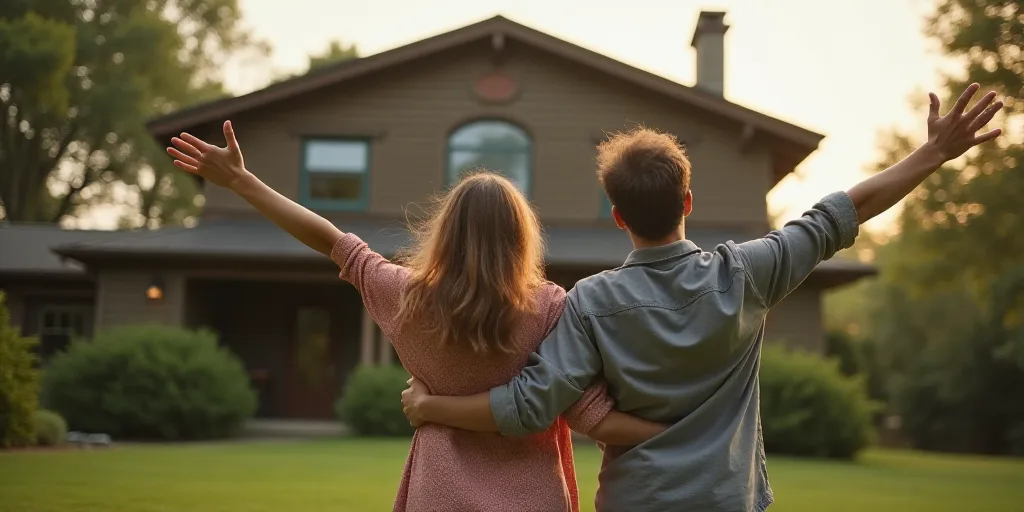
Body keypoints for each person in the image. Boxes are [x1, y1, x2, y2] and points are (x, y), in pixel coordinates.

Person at [400, 84, 1005, 511]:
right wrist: (933, 153)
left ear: (617, 216)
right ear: (687, 202)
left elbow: (531, 406)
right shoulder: (745, 273)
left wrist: (432, 409)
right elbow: (842, 212)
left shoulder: (588, 303)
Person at [165, 125, 668, 512]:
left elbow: (332, 240)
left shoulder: (404, 296)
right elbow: (592, 416)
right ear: (521, 239)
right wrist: (691, 426)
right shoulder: (550, 307)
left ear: (446, 231)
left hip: (438, 494)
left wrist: (242, 183)